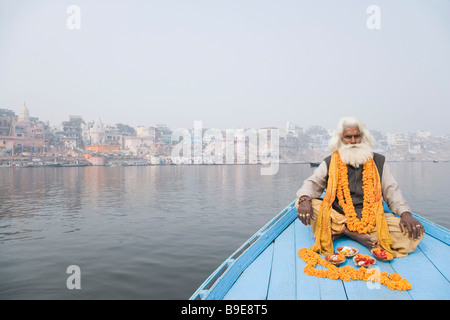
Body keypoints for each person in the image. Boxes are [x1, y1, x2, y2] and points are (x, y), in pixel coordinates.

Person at [296, 116, 424, 257]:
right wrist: (304, 199)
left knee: (414, 235)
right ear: (340, 139)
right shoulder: (331, 161)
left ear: (363, 137)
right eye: (348, 137)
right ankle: (350, 233)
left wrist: (406, 214)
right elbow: (312, 183)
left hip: (373, 217)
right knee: (302, 202)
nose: (353, 141)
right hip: (340, 216)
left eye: (357, 136)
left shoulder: (378, 161)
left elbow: (391, 191)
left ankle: (340, 232)